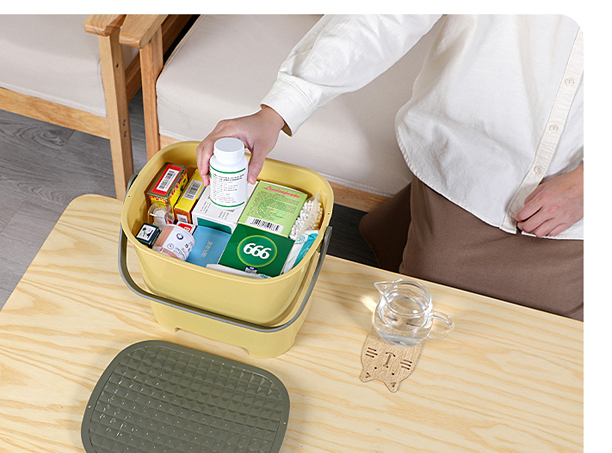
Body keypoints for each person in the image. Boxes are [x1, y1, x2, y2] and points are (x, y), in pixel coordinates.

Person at [196, 15, 584, 320]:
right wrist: (275, 112)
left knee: (558, 342)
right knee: (422, 309)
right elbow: (382, 17)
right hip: (475, 157)